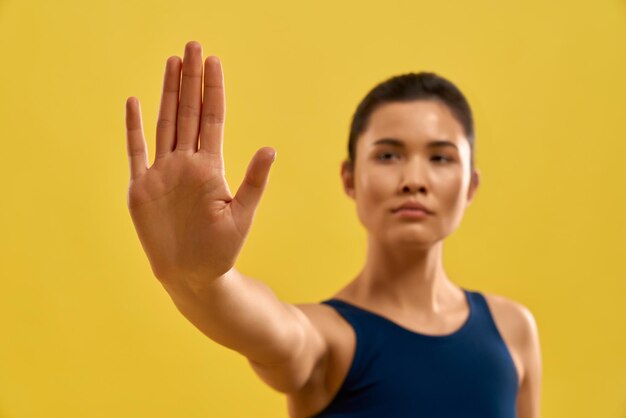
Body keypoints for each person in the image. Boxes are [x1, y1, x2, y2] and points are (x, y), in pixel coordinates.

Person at [125, 40, 542, 418]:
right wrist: (199, 279)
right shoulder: (329, 340)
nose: (415, 179)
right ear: (350, 179)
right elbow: (270, 328)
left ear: (470, 185)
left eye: (440, 158)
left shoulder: (513, 329)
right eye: (388, 156)